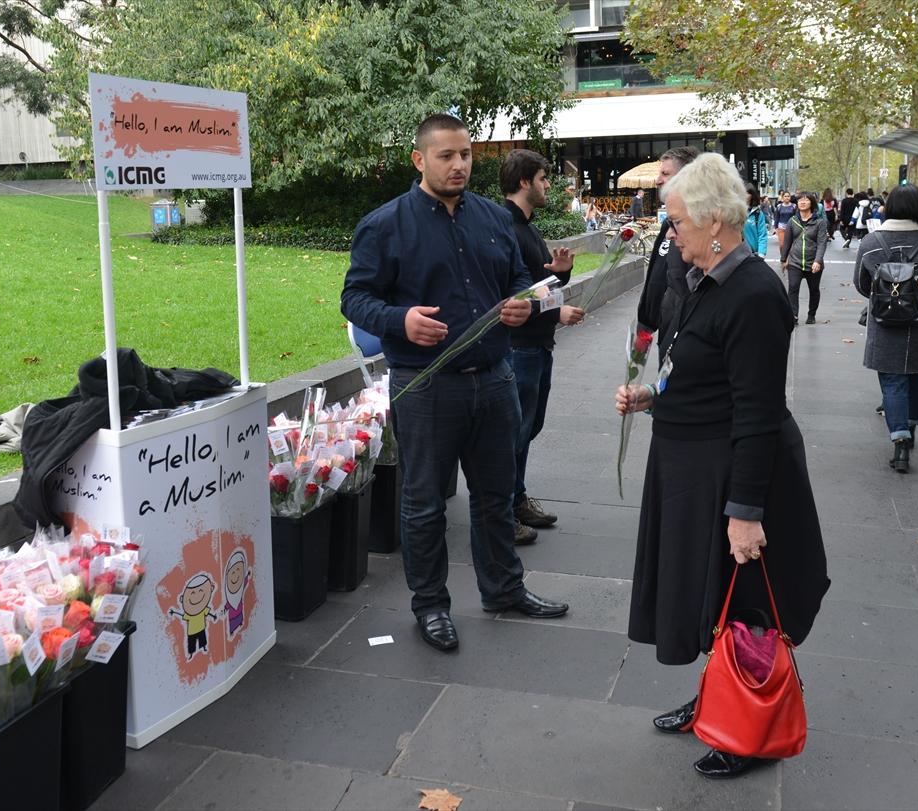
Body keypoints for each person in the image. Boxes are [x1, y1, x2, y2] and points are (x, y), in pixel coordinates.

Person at [615, 153, 829, 780]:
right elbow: (694, 367)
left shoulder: (756, 293)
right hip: (689, 466)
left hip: (732, 470)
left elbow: (758, 412)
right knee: (711, 596)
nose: (669, 230)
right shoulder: (699, 278)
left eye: (675, 220)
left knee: (747, 604)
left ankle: (750, 729)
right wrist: (652, 394)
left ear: (713, 222)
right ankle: (719, 697)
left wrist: (744, 513)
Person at [341, 114, 570, 653]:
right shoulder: (385, 225)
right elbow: (355, 298)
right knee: (423, 505)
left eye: (466, 154)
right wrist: (401, 322)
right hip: (425, 385)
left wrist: (522, 301)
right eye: (446, 156)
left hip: (494, 380)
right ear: (419, 160)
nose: (459, 164)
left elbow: (517, 277)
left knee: (494, 497)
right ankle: (430, 607)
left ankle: (504, 589)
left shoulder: (492, 218)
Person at [501, 149, 585, 541]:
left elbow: (536, 286)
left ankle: (516, 499)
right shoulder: (507, 228)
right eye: (543, 178)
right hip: (519, 347)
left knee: (528, 427)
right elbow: (510, 296)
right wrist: (556, 312)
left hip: (536, 345)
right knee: (515, 431)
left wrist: (560, 275)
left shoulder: (528, 227)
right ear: (524, 182)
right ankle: (504, 511)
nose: (548, 185)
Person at [853, 184, 918, 473]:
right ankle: (910, 428)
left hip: (885, 321)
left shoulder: (871, 243)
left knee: (892, 380)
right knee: (915, 377)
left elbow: (861, 284)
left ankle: (899, 444)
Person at [636, 146, 700, 345]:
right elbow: (657, 276)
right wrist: (645, 321)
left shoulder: (702, 226)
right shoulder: (668, 225)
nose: (658, 180)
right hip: (668, 332)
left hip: (693, 338)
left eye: (665, 173)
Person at [781, 192, 828, 325]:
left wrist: (818, 261)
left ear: (811, 204)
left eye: (806, 200)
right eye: (800, 200)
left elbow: (822, 243)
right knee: (793, 288)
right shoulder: (792, 221)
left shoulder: (819, 222)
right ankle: (793, 316)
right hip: (795, 262)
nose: (802, 202)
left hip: (813, 262)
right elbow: (787, 242)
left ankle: (811, 314)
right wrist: (783, 259)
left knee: (814, 290)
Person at [743, 183, 768, 257]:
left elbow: (762, 235)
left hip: (753, 254)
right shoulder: (734, 212)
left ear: (752, 196)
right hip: (737, 255)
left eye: (747, 193)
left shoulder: (758, 214)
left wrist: (761, 254)